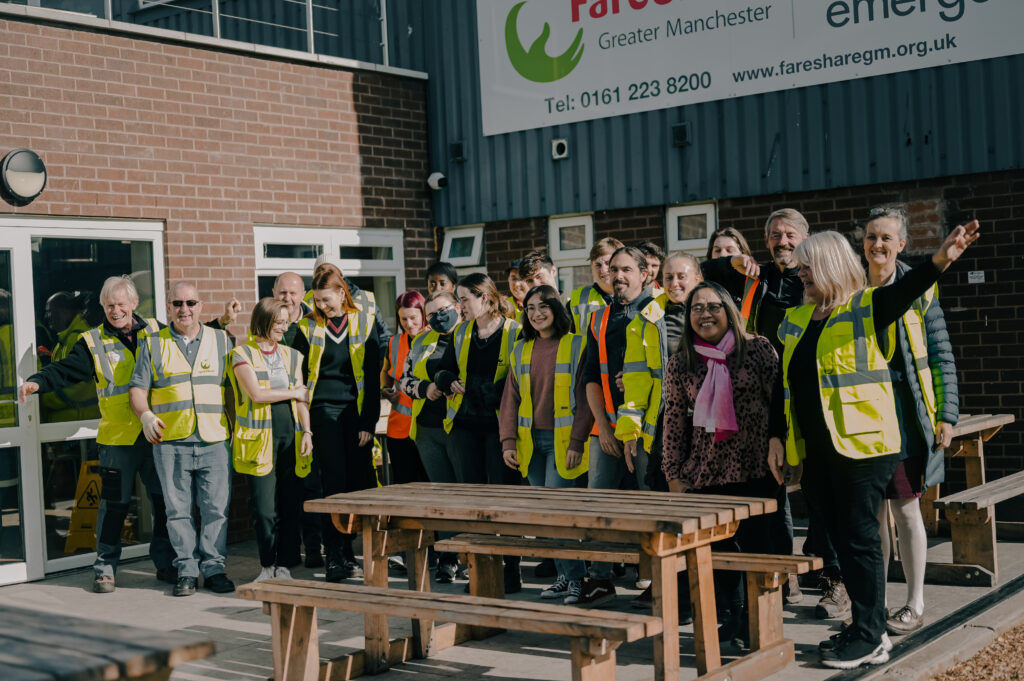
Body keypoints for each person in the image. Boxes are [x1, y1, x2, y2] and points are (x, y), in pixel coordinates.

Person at [768, 222, 980, 669]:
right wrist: (778, 438)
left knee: (861, 540)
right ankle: (865, 625)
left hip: (864, 448)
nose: (801, 274)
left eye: (808, 266)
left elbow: (911, 287)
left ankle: (871, 636)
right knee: (842, 543)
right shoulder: (797, 318)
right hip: (818, 451)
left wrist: (941, 259)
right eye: (800, 267)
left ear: (828, 265)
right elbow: (781, 386)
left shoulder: (865, 307)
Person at [700, 208, 814, 610]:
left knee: (817, 491)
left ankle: (830, 578)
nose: (781, 242)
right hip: (763, 394)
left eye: (789, 235)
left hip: (809, 393)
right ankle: (781, 579)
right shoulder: (756, 276)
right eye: (774, 236)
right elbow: (700, 269)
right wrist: (733, 260)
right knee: (773, 488)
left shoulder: (816, 276)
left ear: (804, 236)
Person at [661, 281, 781, 645]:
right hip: (707, 472)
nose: (705, 314)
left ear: (729, 311)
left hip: (757, 469)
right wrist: (673, 474)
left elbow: (779, 406)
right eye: (697, 308)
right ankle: (733, 618)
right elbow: (673, 422)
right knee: (720, 555)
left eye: (714, 306)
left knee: (759, 549)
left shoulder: (758, 350)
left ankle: (758, 622)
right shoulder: (682, 360)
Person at [862, 207, 959, 636]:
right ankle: (876, 601)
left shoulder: (921, 289)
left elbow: (940, 354)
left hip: (905, 414)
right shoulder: (850, 287)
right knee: (873, 516)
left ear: (902, 244)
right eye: (870, 237)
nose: (877, 245)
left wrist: (946, 414)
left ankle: (915, 602)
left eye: (886, 237)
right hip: (863, 418)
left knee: (905, 509)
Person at [129, 282, 235, 597]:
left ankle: (214, 569)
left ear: (201, 306)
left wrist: (237, 426)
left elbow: (231, 388)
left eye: (190, 302)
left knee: (216, 509)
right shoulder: (153, 343)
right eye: (177, 303)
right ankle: (186, 571)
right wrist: (145, 415)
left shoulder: (221, 341)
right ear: (169, 307)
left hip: (214, 439)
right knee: (177, 511)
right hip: (171, 440)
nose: (184, 309)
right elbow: (137, 389)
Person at [500, 285, 592, 604]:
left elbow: (585, 396)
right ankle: (566, 576)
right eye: (530, 308)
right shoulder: (521, 348)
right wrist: (508, 440)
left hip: (563, 441)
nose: (537, 313)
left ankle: (578, 578)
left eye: (543, 306)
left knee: (557, 511)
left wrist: (578, 440)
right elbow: (510, 399)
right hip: (531, 443)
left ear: (556, 307)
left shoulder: (576, 343)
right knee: (546, 514)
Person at [290, 266, 380, 583]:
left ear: (342, 293)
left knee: (359, 486)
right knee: (333, 487)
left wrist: (368, 422)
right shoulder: (305, 327)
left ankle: (352, 552)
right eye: (317, 301)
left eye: (326, 300)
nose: (322, 307)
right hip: (323, 414)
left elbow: (371, 377)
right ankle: (335, 556)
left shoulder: (364, 322)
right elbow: (297, 375)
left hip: (355, 415)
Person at [435, 273, 523, 592]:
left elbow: (521, 375)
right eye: (458, 300)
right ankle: (478, 571)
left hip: (502, 428)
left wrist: (490, 390)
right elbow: (443, 368)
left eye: (464, 299)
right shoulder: (461, 332)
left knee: (504, 499)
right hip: (465, 426)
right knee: (472, 500)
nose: (459, 307)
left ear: (484, 298)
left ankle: (510, 572)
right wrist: (447, 380)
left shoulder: (515, 331)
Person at [578, 245, 655, 606]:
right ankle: (598, 578)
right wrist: (606, 429)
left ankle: (659, 580)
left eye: (626, 269)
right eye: (613, 270)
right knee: (599, 504)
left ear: (645, 273)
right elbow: (591, 377)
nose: (618, 276)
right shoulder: (599, 319)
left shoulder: (661, 312)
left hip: (649, 430)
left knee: (652, 504)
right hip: (606, 428)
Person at [228, 299, 312, 583]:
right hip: (258, 438)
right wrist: (293, 392)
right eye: (279, 322)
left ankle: (285, 565)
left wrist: (308, 432)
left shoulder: (293, 355)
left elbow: (303, 401)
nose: (284, 327)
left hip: (291, 435)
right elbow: (257, 395)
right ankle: (267, 566)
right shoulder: (241, 354)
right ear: (263, 321)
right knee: (263, 507)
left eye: (286, 322)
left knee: (289, 504)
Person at [397, 290, 463, 582]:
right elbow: (405, 379)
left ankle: (471, 555)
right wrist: (426, 389)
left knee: (466, 491)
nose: (437, 317)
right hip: (427, 429)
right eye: (431, 313)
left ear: (458, 308)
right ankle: (448, 558)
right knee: (444, 495)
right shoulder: (422, 340)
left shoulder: (471, 335)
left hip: (461, 427)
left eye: (443, 310)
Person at [381, 290, 429, 486]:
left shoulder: (436, 339)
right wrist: (385, 388)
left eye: (413, 318)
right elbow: (386, 371)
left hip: (429, 429)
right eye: (403, 319)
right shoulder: (394, 342)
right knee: (403, 485)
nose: (409, 324)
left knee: (430, 485)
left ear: (423, 314)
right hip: (400, 429)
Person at [568, 237, 623, 336]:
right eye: (598, 265)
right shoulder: (577, 300)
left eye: (608, 263)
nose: (603, 269)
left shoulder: (636, 296)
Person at [272, 272, 312, 346]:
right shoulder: (264, 322)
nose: (287, 299)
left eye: (293, 293)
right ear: (274, 293)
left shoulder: (315, 323)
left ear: (303, 295)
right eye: (283, 293)